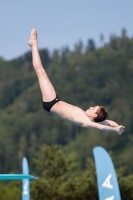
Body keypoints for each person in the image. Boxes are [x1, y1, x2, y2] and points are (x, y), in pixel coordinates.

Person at [28, 28, 125, 135]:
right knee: (41, 73)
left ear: (94, 115)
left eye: (93, 108)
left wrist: (115, 130)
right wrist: (118, 126)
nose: (90, 107)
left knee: (41, 72)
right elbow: (108, 122)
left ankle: (34, 44)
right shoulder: (90, 117)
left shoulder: (86, 122)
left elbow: (102, 127)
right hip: (55, 101)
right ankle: (33, 44)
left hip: (51, 103)